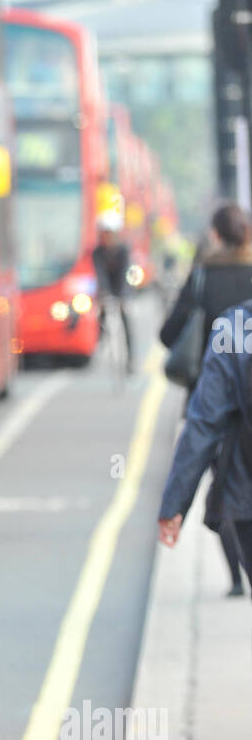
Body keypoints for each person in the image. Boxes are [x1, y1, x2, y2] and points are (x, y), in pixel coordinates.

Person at [160, 203, 252, 595]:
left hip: (230, 425)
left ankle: (233, 577)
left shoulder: (211, 293)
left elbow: (202, 426)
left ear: (214, 235)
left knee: (228, 487)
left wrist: (174, 503)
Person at [92, 213, 134, 372]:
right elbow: (100, 274)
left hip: (122, 290)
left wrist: (123, 297)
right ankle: (99, 345)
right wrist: (103, 295)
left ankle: (130, 359)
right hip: (106, 291)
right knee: (100, 316)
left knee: (127, 320)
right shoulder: (98, 252)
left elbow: (125, 274)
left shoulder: (123, 250)